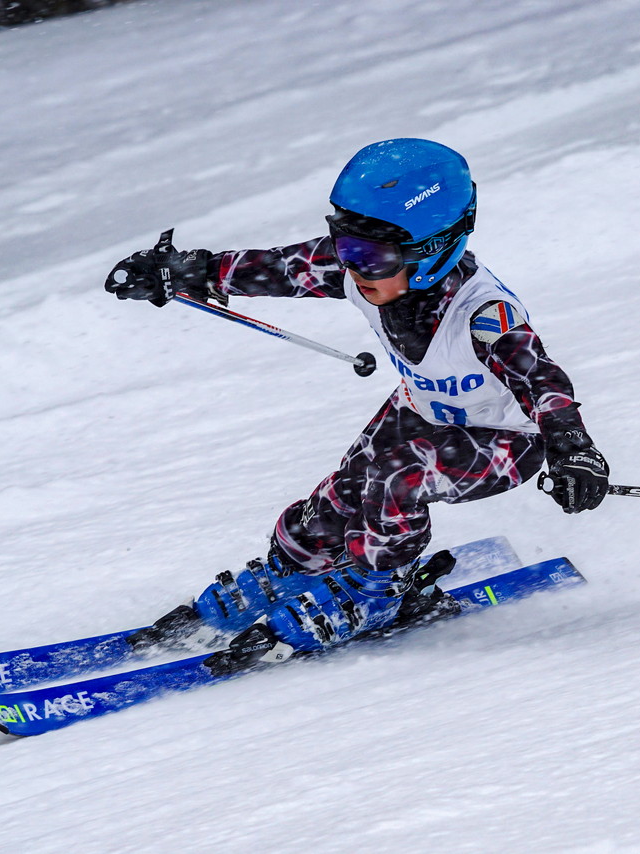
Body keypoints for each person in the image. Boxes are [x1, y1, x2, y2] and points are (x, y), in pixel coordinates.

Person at [104, 138, 608, 672]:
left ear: (433, 251)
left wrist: (573, 448)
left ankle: (377, 589)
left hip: (507, 440)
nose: (353, 267)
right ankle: (294, 570)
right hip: (422, 412)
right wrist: (188, 271)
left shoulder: (481, 313)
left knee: (398, 478)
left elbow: (542, 380)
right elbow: (280, 268)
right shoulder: (364, 268)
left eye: (369, 256)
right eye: (344, 246)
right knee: (336, 501)